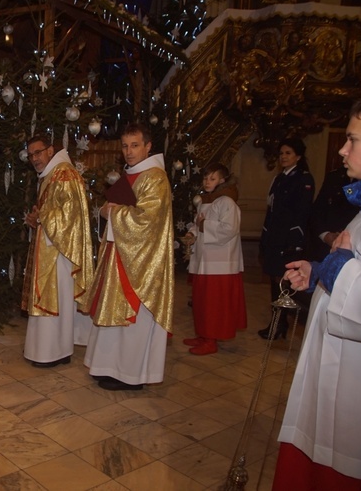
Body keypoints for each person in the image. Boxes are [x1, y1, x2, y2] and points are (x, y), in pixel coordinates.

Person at [273, 90, 361, 490]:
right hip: (339, 366)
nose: (341, 150)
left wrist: (336, 268)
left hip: (360, 381)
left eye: (353, 139)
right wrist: (321, 271)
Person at [81, 123, 174, 391]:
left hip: (141, 263)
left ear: (148, 146)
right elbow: (113, 208)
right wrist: (105, 211)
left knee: (132, 318)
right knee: (112, 313)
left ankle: (131, 375)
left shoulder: (155, 178)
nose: (129, 151)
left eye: (135, 145)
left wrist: (113, 213)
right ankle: (109, 366)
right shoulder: (133, 174)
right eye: (124, 146)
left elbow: (147, 221)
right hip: (119, 254)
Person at [21, 134, 94, 367]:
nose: (35, 159)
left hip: (59, 252)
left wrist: (42, 216)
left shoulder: (63, 173)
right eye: (31, 155)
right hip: (50, 247)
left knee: (55, 298)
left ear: (50, 150)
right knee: (53, 298)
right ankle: (52, 350)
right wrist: (38, 217)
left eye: (38, 152)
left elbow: (70, 216)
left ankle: (53, 352)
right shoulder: (51, 175)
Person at [183, 163, 247, 355]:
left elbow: (229, 229)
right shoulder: (206, 201)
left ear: (222, 180)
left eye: (212, 178)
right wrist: (191, 232)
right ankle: (203, 334)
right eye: (205, 178)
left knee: (214, 304)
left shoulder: (227, 202)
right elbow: (199, 223)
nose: (207, 182)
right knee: (202, 300)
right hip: (205, 261)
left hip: (220, 264)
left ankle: (211, 340)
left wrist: (203, 226)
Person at [258, 137, 314, 340]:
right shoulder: (279, 178)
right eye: (281, 153)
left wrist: (294, 243)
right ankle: (278, 322)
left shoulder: (303, 179)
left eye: (288, 153)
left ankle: (283, 321)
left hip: (288, 241)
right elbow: (271, 210)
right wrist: (265, 237)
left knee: (285, 282)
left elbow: (302, 213)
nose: (283, 157)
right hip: (274, 237)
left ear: (298, 156)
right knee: (275, 281)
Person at [307, 166, 359, 262]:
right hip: (324, 246)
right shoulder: (334, 176)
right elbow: (317, 210)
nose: (344, 152)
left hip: (354, 248)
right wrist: (325, 235)